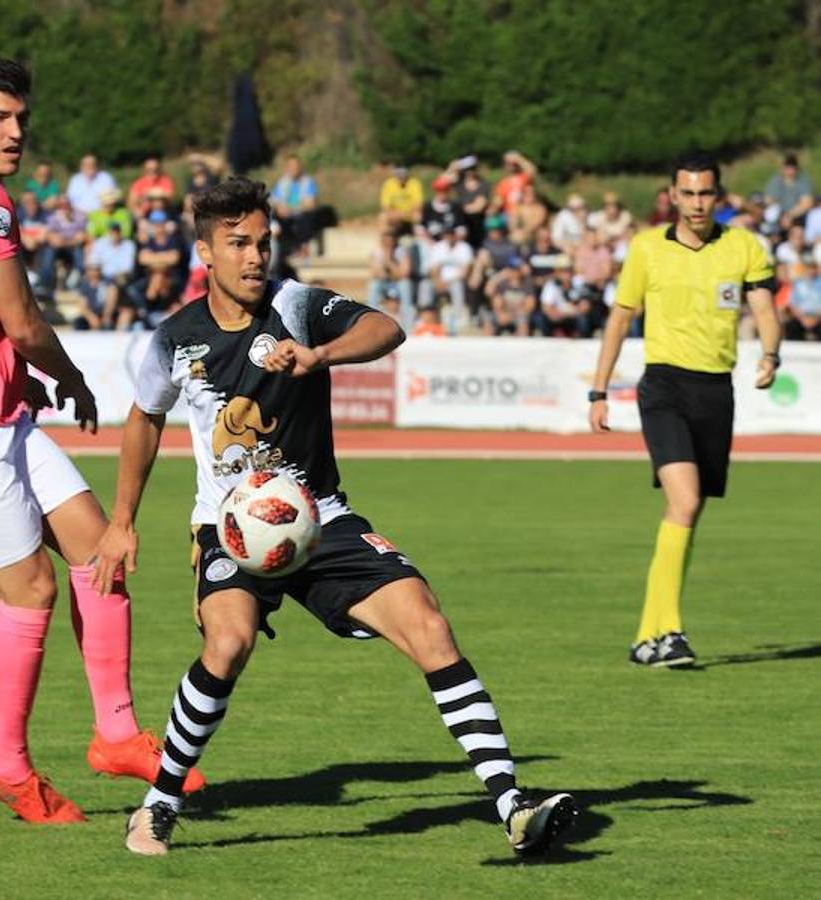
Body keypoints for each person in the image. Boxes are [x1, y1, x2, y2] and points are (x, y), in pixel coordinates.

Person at [93, 175, 575, 857]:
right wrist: (123, 519)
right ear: (206, 252)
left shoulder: (297, 306)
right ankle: (158, 804)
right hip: (231, 526)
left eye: (263, 241)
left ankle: (512, 806)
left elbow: (387, 327)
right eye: (238, 244)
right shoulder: (174, 339)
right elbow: (144, 419)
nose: (255, 256)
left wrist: (320, 354)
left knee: (428, 624)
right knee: (227, 645)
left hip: (318, 516)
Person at [0, 56, 202, 825]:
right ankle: (8, 767)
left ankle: (117, 734)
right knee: (32, 590)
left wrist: (17, 376)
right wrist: (75, 379)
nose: (15, 131)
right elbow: (22, 321)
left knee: (102, 548)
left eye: (20, 117)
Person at [588, 151, 782, 667]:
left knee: (685, 514)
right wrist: (599, 389)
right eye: (688, 193)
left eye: (705, 193)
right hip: (664, 387)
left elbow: (764, 308)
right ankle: (670, 632)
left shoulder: (744, 246)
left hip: (716, 391)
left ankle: (646, 636)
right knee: (686, 501)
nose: (697, 203)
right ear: (672, 195)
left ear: (718, 196)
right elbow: (620, 318)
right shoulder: (646, 248)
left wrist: (770, 353)